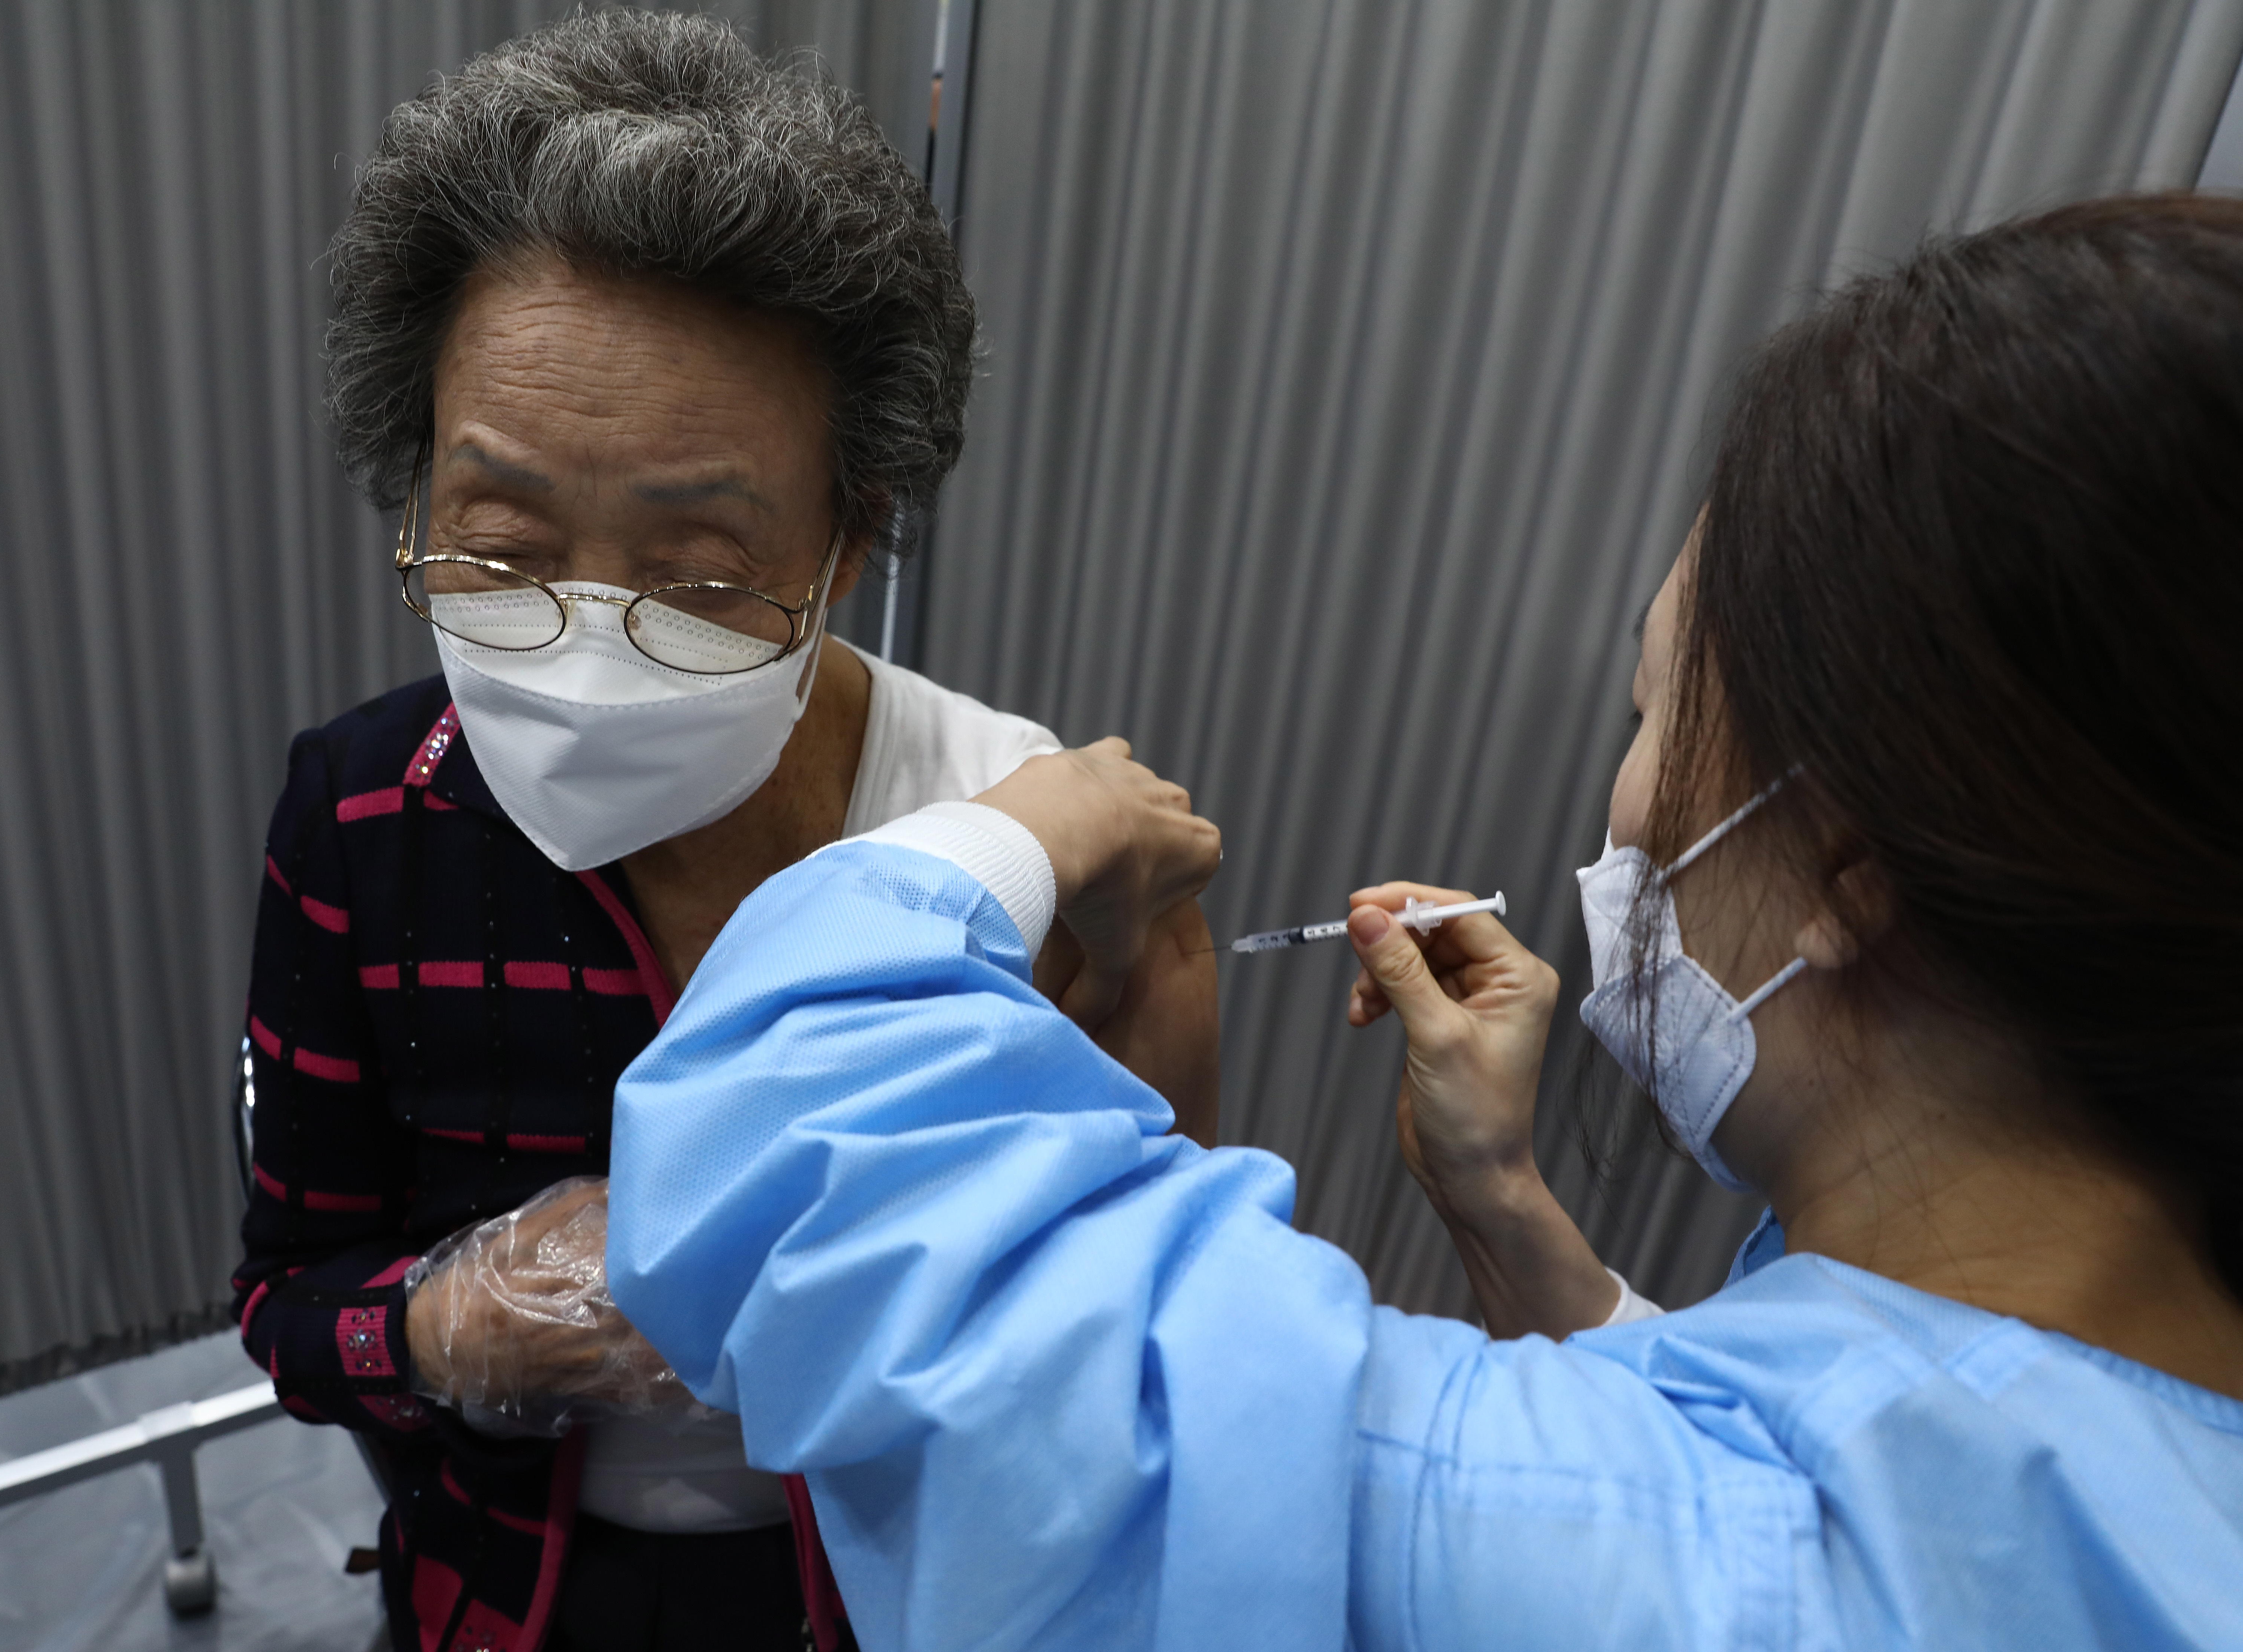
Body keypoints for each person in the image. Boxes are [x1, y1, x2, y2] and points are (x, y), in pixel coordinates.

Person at [604, 194, 2243, 1648]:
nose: (1625, 799)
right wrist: (1514, 1211)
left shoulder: (1474, 1534)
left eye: (1649, 711)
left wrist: (1030, 825)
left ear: (1846, 873)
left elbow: (777, 1123)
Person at [228, 14, 1214, 1652]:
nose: (585, 644)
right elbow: (288, 1299)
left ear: (850, 540)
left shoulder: (994, 817)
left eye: (693, 577)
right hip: (507, 1589)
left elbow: (1126, 1298)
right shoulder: (361, 822)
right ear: (413, 495)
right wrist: (448, 1330)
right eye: (499, 540)